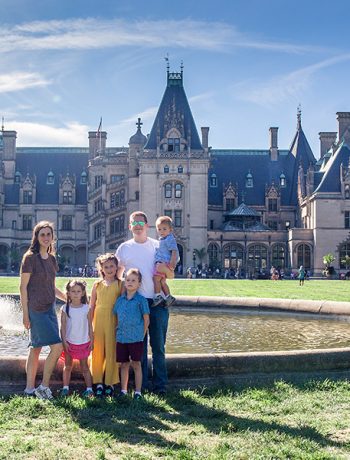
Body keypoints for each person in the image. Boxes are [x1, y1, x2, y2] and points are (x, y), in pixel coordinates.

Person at [116, 211, 169, 395]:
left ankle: (160, 386)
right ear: (130, 226)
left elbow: (170, 273)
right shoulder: (124, 248)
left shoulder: (157, 246)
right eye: (134, 222)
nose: (137, 225)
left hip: (157, 301)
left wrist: (166, 273)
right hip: (135, 304)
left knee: (158, 346)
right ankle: (143, 385)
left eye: (141, 222)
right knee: (140, 346)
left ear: (147, 226)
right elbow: (117, 275)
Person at [20, 221, 65, 399]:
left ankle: (29, 389)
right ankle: (43, 387)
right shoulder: (30, 258)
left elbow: (51, 286)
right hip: (36, 309)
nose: (46, 238)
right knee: (57, 347)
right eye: (42, 234)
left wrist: (69, 299)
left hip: (50, 309)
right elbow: (23, 287)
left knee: (36, 348)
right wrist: (25, 314)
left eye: (49, 234)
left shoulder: (52, 259)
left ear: (53, 237)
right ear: (36, 237)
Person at [113, 268, 150, 399]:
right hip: (122, 338)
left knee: (136, 364)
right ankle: (123, 390)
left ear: (139, 284)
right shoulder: (120, 300)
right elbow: (116, 316)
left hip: (136, 338)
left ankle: (138, 392)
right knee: (123, 364)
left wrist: (142, 334)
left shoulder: (141, 300)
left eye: (133, 280)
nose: (130, 282)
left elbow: (146, 319)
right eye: (127, 280)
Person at [90, 253, 121, 397]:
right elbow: (91, 306)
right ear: (101, 269)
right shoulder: (97, 285)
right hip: (98, 320)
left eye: (112, 266)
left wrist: (120, 323)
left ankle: (110, 382)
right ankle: (97, 381)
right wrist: (89, 326)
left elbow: (123, 305)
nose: (109, 269)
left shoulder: (120, 284)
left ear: (116, 267)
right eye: (106, 267)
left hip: (113, 320)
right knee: (97, 351)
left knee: (111, 351)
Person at [59, 279, 94, 397]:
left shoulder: (86, 308)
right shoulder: (65, 308)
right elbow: (62, 327)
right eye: (73, 291)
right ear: (68, 293)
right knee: (67, 366)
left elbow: (90, 326)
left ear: (83, 293)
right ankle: (65, 388)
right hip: (69, 342)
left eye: (78, 291)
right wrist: (64, 342)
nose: (75, 293)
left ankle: (89, 389)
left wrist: (92, 341)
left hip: (84, 342)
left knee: (85, 367)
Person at [152, 216, 179, 307]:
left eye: (164, 229)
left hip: (163, 263)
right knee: (162, 281)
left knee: (156, 279)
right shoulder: (163, 239)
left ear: (170, 230)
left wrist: (172, 263)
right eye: (159, 229)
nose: (161, 231)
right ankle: (168, 296)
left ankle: (157, 296)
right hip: (163, 263)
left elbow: (174, 251)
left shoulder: (169, 239)